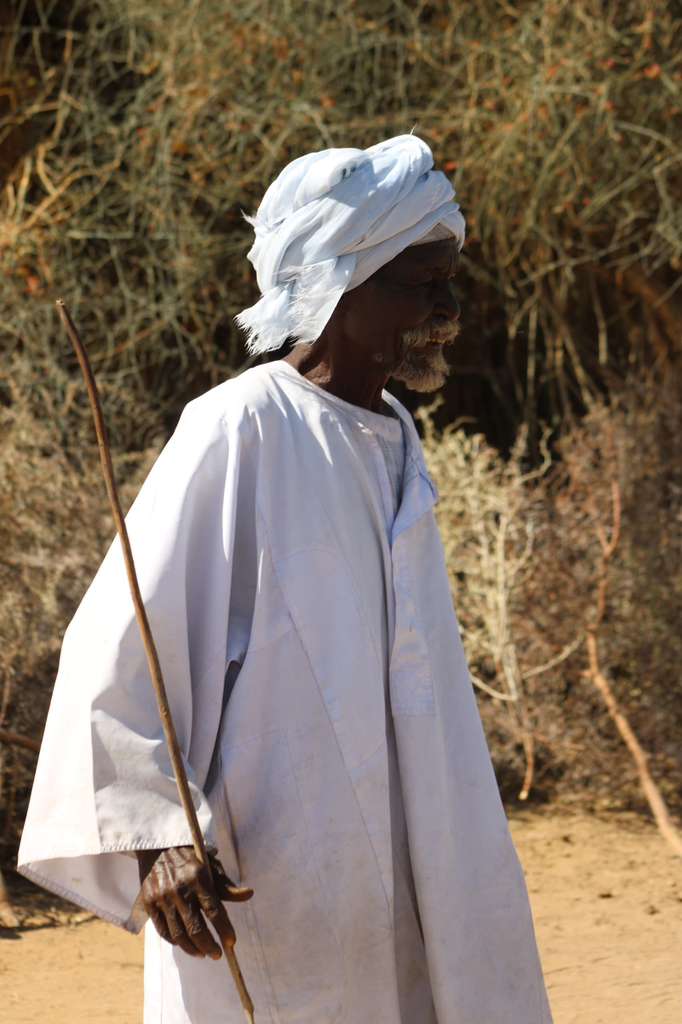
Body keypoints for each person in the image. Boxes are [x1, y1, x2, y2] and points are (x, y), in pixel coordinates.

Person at [18, 135, 553, 1023]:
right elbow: (119, 649)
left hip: (420, 871)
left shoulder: (395, 437)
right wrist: (157, 837)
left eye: (450, 283)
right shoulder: (240, 427)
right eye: (424, 285)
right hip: (277, 887)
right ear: (344, 286)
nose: (449, 310)